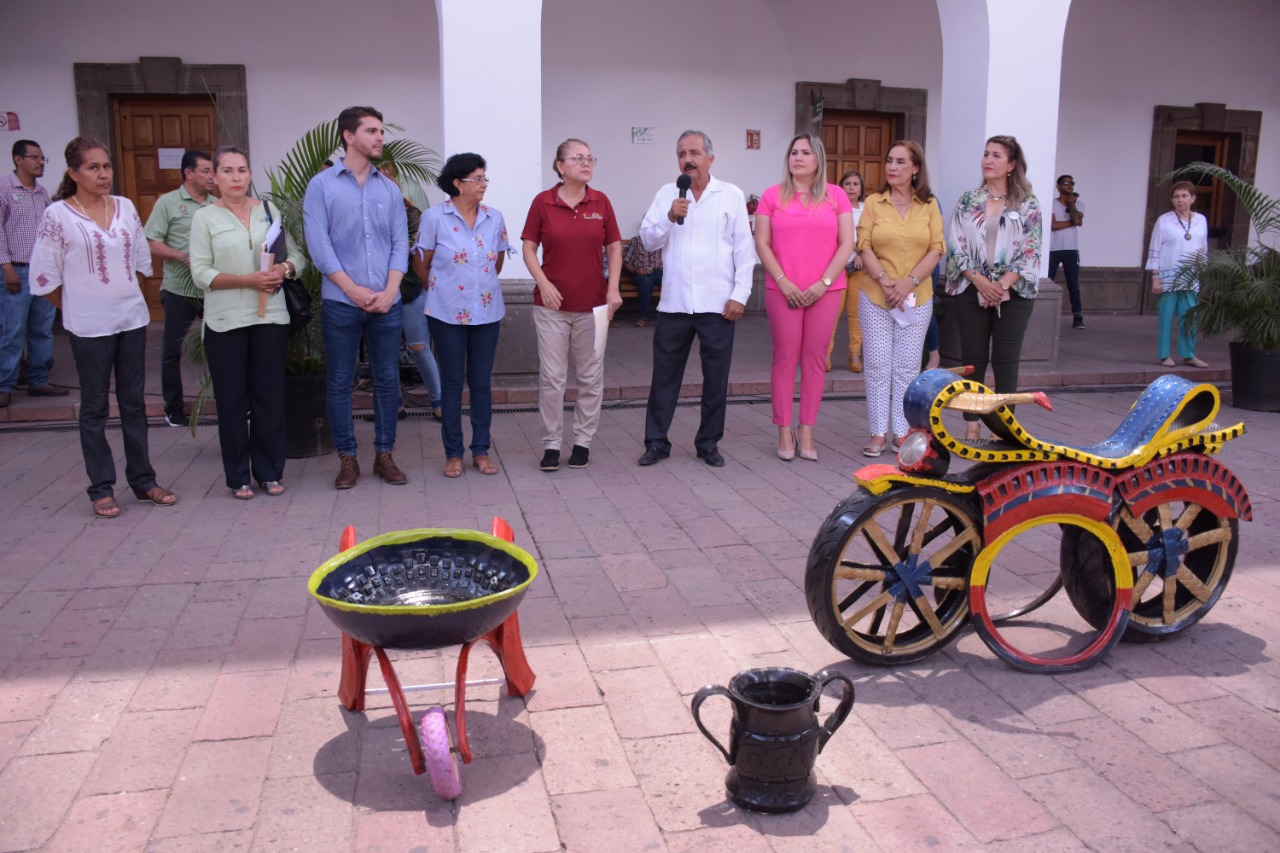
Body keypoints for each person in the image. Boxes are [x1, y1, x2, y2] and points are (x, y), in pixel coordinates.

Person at [28, 137, 177, 518]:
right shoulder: (58, 215)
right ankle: (100, 488)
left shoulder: (125, 207)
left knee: (134, 403)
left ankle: (143, 481)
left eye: (106, 166)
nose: (103, 174)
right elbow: (44, 279)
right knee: (94, 406)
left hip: (131, 320)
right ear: (73, 172)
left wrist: (118, 299)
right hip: (88, 327)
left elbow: (140, 264)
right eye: (93, 167)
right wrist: (79, 307)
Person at [189, 146, 305, 499]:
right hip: (225, 321)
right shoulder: (205, 218)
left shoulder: (268, 211)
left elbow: (297, 257)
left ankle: (270, 472)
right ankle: (238, 476)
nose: (235, 177)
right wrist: (246, 280)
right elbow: (200, 273)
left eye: (241, 170)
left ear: (249, 174)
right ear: (214, 177)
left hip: (270, 317)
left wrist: (284, 269)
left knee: (269, 397)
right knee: (232, 401)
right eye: (227, 171)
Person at [304, 106, 410, 489]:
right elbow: (319, 246)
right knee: (339, 382)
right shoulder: (321, 186)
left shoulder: (390, 189)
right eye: (372, 131)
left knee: (387, 379)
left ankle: (385, 455)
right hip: (340, 302)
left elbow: (401, 243)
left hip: (387, 302)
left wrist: (391, 291)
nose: (380, 137)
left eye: (381, 131)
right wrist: (351, 289)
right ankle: (347, 459)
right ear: (349, 136)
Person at [636, 130, 755, 468]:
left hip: (718, 305)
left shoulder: (731, 194)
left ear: (710, 159)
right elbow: (648, 241)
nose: (687, 160)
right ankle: (656, 442)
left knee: (716, 378)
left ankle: (708, 443)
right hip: (675, 303)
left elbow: (744, 250)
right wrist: (669, 217)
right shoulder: (667, 194)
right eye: (681, 154)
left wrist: (740, 295)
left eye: (694, 153)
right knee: (664, 377)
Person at [521, 138, 622, 472]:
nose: (586, 163)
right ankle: (551, 443)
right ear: (560, 166)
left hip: (594, 306)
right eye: (578, 158)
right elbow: (528, 248)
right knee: (553, 379)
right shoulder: (543, 202)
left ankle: (582, 441)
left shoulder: (601, 201)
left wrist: (613, 289)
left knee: (591, 377)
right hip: (551, 307)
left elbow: (614, 247)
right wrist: (543, 283)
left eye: (589, 158)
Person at [754, 132, 855, 462]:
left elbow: (847, 243)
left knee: (815, 360)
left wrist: (823, 283)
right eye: (794, 152)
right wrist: (782, 281)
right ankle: (784, 429)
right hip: (783, 289)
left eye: (806, 153)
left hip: (825, 291)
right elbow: (762, 243)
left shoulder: (836, 196)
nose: (798, 158)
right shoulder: (771, 196)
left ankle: (807, 429)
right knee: (785, 358)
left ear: (818, 159)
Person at [411, 153, 510, 478]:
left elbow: (496, 262)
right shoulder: (434, 217)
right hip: (446, 313)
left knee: (481, 383)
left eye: (484, 178)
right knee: (452, 383)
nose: (483, 184)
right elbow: (421, 264)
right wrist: (443, 291)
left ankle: (481, 450)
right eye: (477, 179)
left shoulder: (494, 218)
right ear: (457, 183)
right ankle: (453, 453)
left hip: (487, 312)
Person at [945, 135, 1044, 441]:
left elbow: (1031, 250)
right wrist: (981, 282)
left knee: (1005, 360)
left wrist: (1000, 286)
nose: (988, 160)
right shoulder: (968, 200)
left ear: (1012, 165)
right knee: (973, 359)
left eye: (996, 156)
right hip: (970, 287)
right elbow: (956, 244)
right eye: (986, 154)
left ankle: (1003, 428)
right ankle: (971, 423)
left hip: (1013, 293)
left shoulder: (1027, 203)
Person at [857, 141, 943, 457]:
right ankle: (878, 432)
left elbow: (936, 248)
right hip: (876, 295)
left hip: (916, 297)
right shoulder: (873, 203)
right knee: (877, 365)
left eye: (900, 162)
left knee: (907, 367)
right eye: (889, 160)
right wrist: (885, 281)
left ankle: (902, 432)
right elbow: (863, 244)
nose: (892, 167)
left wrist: (909, 282)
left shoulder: (929, 205)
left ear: (915, 168)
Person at [145, 149, 215, 426]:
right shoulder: (168, 203)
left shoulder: (217, 204)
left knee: (222, 348)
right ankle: (173, 409)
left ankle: (232, 403)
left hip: (212, 289)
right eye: (206, 171)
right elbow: (152, 242)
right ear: (189, 173)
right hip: (179, 289)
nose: (212, 176)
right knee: (172, 351)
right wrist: (183, 257)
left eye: (212, 171)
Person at [1, 138, 65, 406]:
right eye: (35, 157)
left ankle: (39, 381)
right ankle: (4, 386)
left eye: (42, 158)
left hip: (43, 272)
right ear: (18, 159)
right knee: (12, 330)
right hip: (16, 270)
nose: (41, 162)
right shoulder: (4, 188)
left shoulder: (42, 193)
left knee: (42, 329)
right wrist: (6, 267)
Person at [378, 162, 442, 421]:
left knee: (418, 346)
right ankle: (394, 404)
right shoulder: (369, 217)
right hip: (378, 289)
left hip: (409, 289)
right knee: (385, 351)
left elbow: (413, 251)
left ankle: (439, 402)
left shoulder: (412, 214)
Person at [1147, 181, 1209, 368]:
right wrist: (1155, 276)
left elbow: (1203, 246)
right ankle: (1164, 355)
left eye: (1184, 196)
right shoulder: (1164, 220)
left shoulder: (1201, 220)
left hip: (1190, 276)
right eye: (1176, 197)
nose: (1180, 200)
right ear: (1172, 200)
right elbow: (1155, 248)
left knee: (1189, 318)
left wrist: (1201, 268)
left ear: (1193, 198)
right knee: (1165, 318)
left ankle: (1189, 355)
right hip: (1167, 276)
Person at [826, 170, 866, 372]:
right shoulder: (834, 208)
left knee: (855, 314)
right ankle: (825, 354)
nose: (851, 188)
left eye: (855, 184)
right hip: (838, 267)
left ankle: (854, 355)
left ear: (861, 188)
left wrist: (862, 254)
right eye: (847, 184)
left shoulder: (867, 209)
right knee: (833, 313)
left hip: (860, 268)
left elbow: (872, 236)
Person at [1049, 174, 1086, 329]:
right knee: (1048, 280)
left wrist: (1071, 204)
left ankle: (1078, 316)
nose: (1069, 185)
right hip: (1053, 248)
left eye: (1071, 183)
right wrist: (1073, 222)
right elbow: (1053, 225)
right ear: (1058, 186)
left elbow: (1078, 220)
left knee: (1073, 283)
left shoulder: (1079, 204)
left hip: (1071, 249)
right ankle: (1045, 313)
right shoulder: (1051, 203)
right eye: (1065, 183)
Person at [621, 232, 662, 327]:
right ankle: (643, 317)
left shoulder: (661, 240)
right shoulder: (635, 241)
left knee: (671, 282)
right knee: (646, 283)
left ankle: (671, 316)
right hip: (640, 272)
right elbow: (626, 262)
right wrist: (638, 271)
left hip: (657, 271)